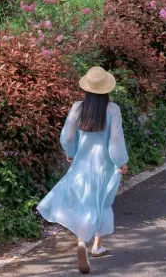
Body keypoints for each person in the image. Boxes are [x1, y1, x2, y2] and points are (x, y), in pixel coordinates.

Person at [37, 67, 129, 274]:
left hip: (81, 165)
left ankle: (81, 243)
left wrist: (71, 152)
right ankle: (96, 245)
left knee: (84, 204)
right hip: (104, 167)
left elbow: (68, 137)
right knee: (102, 202)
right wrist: (121, 162)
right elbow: (115, 142)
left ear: (87, 88)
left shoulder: (78, 107)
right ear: (107, 89)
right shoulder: (113, 109)